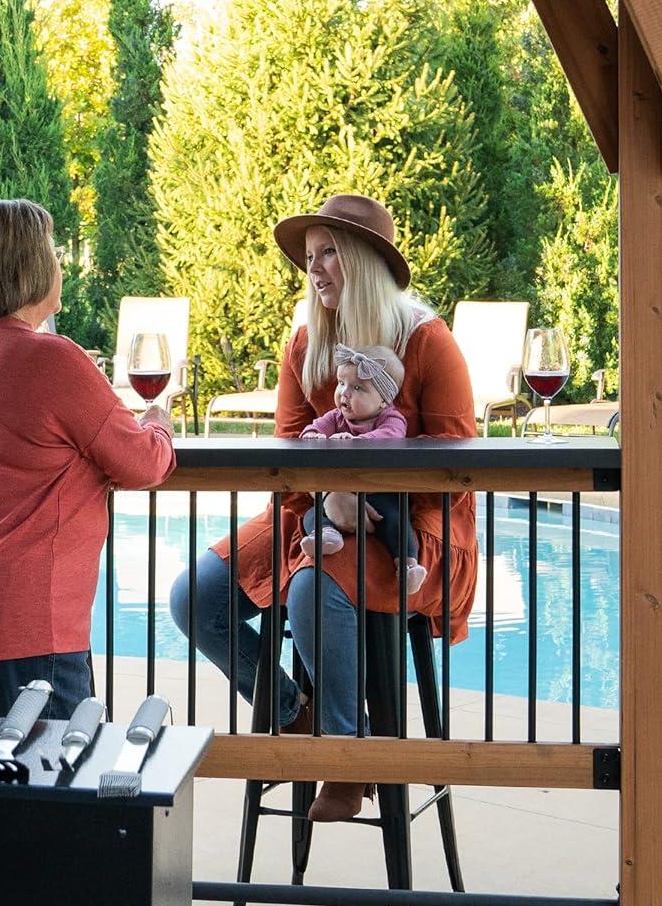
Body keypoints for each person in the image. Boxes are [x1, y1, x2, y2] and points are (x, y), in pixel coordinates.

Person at [169, 193, 475, 822]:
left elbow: (457, 474)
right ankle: (293, 709)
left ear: (365, 261)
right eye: (310, 256)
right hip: (311, 513)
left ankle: (347, 754)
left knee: (311, 588)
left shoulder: (427, 343)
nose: (315, 268)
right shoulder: (306, 343)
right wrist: (328, 495)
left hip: (410, 529)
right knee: (192, 597)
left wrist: (365, 494)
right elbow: (287, 455)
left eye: (329, 252)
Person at [0, 199, 176, 725]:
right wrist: (160, 422)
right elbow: (143, 463)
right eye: (51, 251)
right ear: (27, 266)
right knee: (47, 795)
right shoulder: (49, 358)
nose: (60, 263)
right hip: (23, 625)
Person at [296, 345, 426, 597]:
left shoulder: (391, 419)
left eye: (358, 388)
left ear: (384, 400)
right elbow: (310, 430)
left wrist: (355, 442)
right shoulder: (335, 418)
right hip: (338, 494)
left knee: (397, 519)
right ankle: (326, 535)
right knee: (311, 513)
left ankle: (408, 566)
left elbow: (389, 438)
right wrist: (314, 437)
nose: (344, 393)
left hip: (378, 495)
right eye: (341, 383)